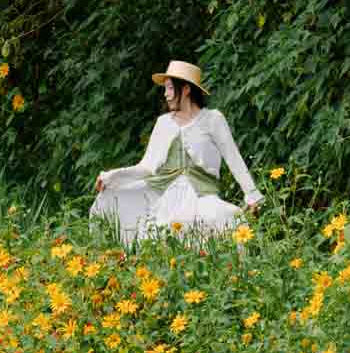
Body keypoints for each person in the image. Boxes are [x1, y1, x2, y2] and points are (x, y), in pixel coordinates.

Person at [90, 60, 263, 246]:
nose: (166, 95)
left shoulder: (213, 120)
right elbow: (147, 167)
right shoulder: (163, 123)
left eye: (170, 88)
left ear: (186, 89)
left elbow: (233, 159)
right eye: (165, 89)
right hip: (163, 193)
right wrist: (114, 176)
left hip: (201, 195)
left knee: (228, 218)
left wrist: (252, 195)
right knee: (112, 195)